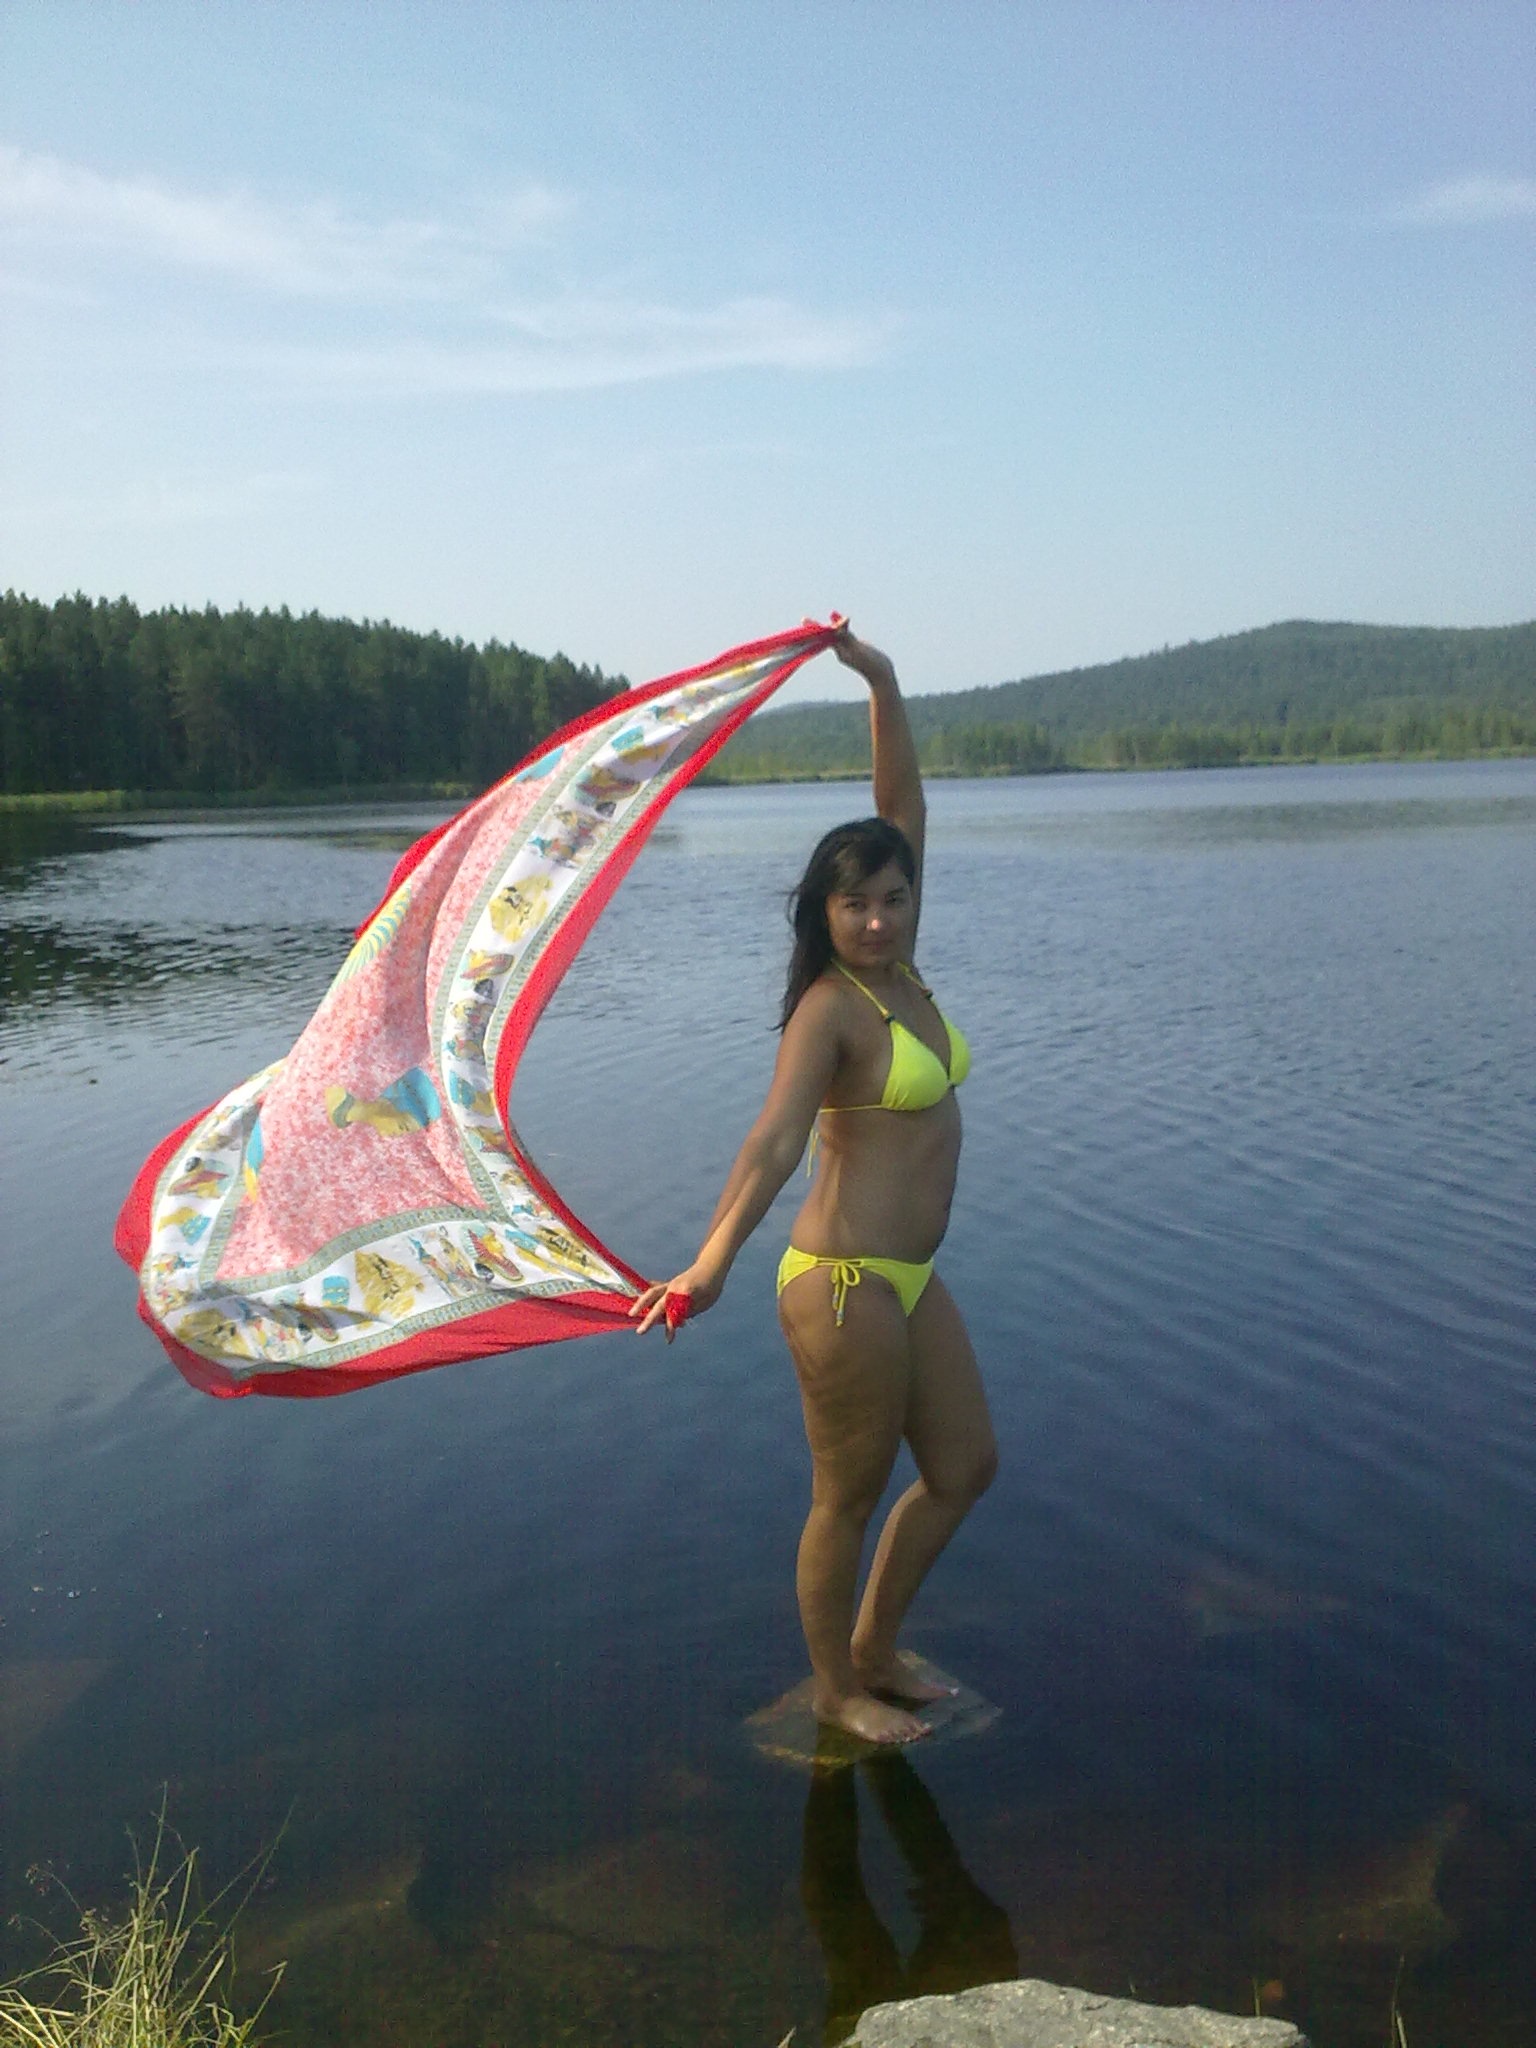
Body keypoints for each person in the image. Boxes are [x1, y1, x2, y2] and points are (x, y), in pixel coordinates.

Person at [631, 626, 997, 1745]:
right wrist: (709, 1262)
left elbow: (900, 805)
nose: (878, 917)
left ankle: (877, 1647)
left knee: (965, 1466)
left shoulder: (906, 971)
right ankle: (835, 1687)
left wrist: (879, 679)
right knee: (846, 1494)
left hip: (909, 1277)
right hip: (841, 1283)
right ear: (823, 915)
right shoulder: (831, 1008)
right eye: (856, 905)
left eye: (892, 897)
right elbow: (774, 1141)